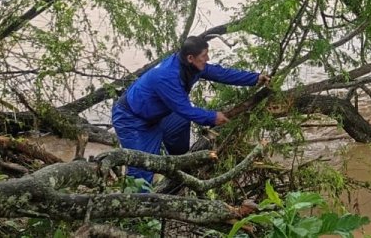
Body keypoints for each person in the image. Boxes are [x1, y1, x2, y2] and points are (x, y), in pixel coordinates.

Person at [111, 36, 267, 186]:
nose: (207, 58)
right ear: (190, 58)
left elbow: (221, 73)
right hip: (132, 119)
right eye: (204, 55)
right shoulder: (166, 76)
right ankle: (135, 207)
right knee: (142, 170)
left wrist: (254, 78)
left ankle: (179, 168)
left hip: (159, 113)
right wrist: (213, 117)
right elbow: (185, 109)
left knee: (179, 125)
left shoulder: (192, 66)